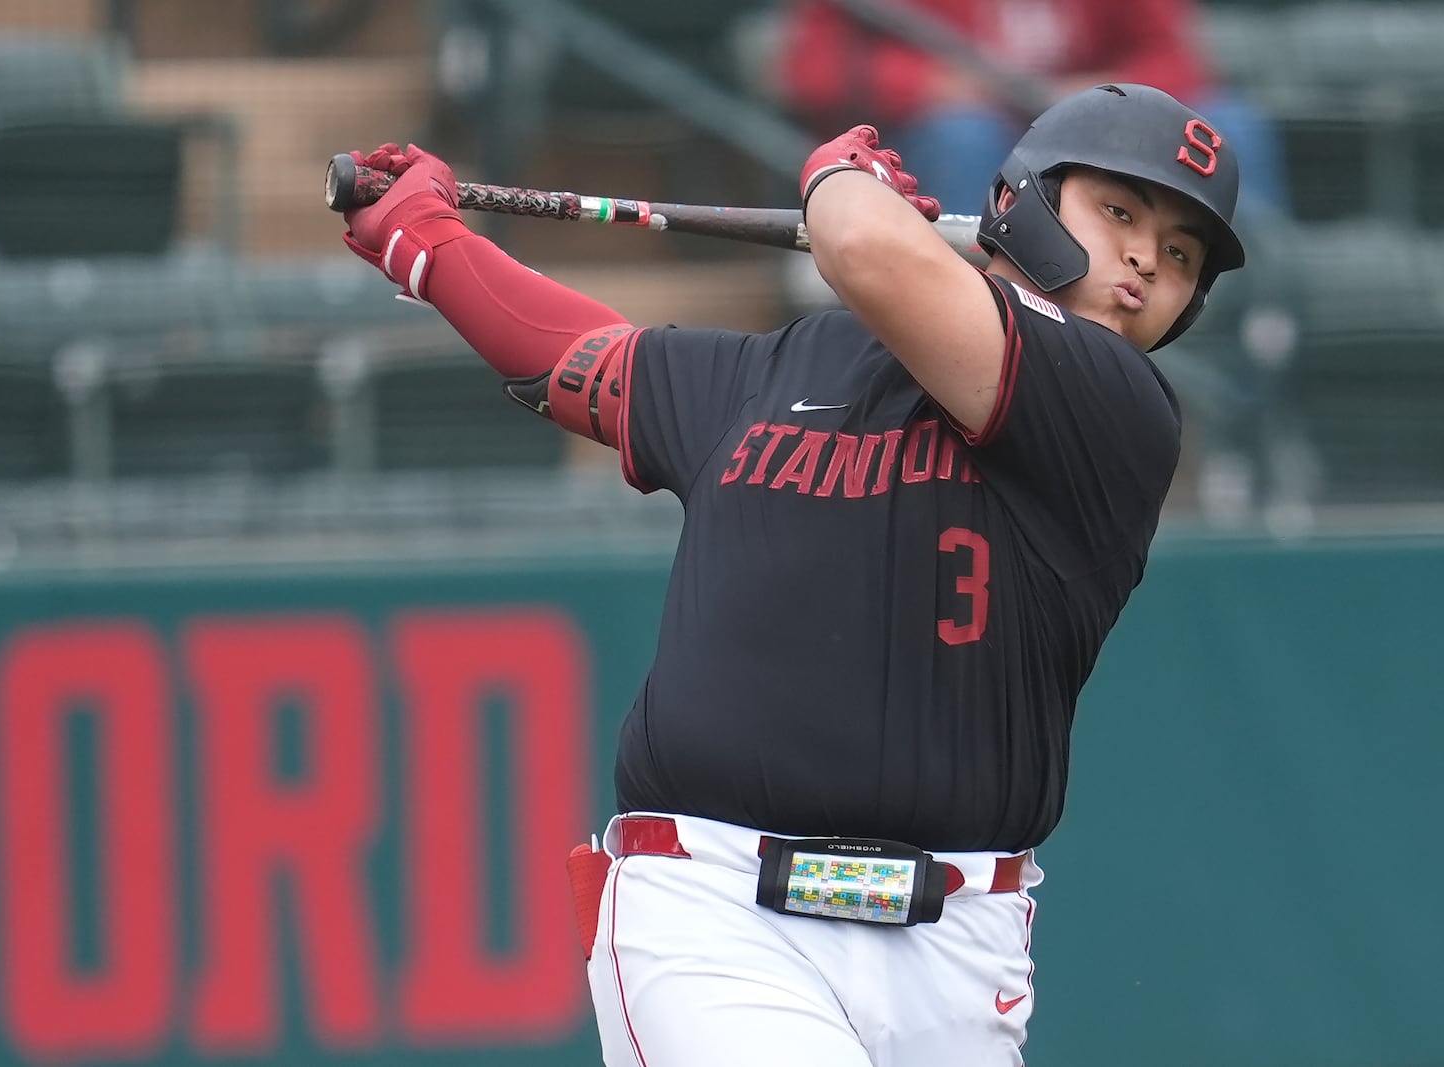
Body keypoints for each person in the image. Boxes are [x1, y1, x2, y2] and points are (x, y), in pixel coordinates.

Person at [339, 82, 1245, 1067]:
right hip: (714, 915)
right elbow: (581, 359)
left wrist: (840, 176)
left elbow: (857, 245)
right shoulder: (782, 368)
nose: (1146, 258)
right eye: (1118, 211)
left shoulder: (1117, 409)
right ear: (1022, 197)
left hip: (957, 948)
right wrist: (423, 241)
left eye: (1181, 252)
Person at [776, 0, 1285, 216]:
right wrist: (934, 83)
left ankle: (1249, 321)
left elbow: (1180, 58)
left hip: (1087, 128)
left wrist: (1098, 91)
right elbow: (812, 68)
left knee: (1228, 123)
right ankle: (974, 323)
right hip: (958, 141)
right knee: (965, 134)